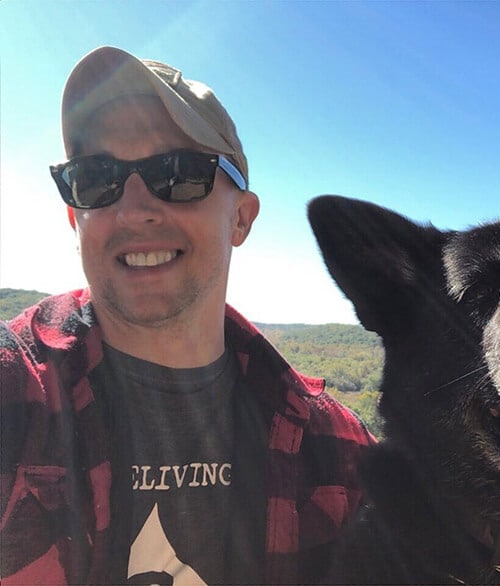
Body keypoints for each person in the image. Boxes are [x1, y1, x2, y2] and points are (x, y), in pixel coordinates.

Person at [0, 46, 374, 585]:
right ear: (73, 216)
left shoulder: (336, 452)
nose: (131, 209)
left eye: (177, 174)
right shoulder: (19, 399)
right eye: (95, 177)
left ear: (241, 218)